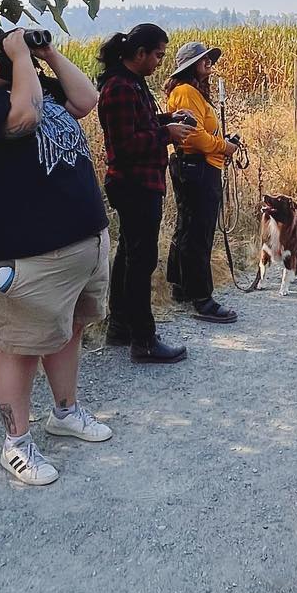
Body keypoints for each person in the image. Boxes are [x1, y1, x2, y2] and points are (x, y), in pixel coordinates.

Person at [0, 24, 115, 486]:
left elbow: (86, 100)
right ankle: (16, 444)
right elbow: (22, 119)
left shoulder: (38, 86)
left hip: (80, 243)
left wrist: (48, 54)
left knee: (69, 329)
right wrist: (20, 58)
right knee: (18, 347)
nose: (7, 52)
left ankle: (65, 411)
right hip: (21, 255)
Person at [96, 23, 195, 363]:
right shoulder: (120, 88)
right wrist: (168, 134)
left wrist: (169, 119)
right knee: (141, 261)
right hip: (135, 184)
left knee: (129, 255)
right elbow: (124, 145)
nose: (159, 62)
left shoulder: (131, 83)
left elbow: (142, 125)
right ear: (139, 53)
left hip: (140, 183)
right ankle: (144, 339)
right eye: (157, 55)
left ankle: (121, 326)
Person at [164, 41, 241, 323]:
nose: (209, 62)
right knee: (199, 232)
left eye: (209, 58)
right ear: (190, 66)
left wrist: (221, 143)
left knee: (188, 228)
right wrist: (224, 147)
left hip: (194, 166)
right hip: (197, 167)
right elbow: (193, 135)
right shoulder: (186, 92)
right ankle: (201, 298)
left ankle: (181, 286)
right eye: (203, 59)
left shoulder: (189, 91)